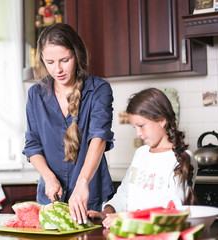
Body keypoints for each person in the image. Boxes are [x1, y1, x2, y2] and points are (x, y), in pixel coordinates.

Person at [22, 23, 115, 225]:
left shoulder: (99, 90)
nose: (58, 69)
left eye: (65, 60)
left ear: (77, 55)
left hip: (90, 193)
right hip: (50, 196)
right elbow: (32, 144)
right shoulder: (36, 95)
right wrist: (48, 177)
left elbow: (99, 138)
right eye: (50, 62)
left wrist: (83, 182)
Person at [88, 88, 198, 228]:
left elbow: (172, 207)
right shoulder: (141, 153)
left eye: (141, 126)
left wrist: (127, 217)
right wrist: (107, 212)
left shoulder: (183, 157)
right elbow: (125, 193)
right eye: (134, 127)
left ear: (161, 120)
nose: (138, 133)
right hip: (133, 232)